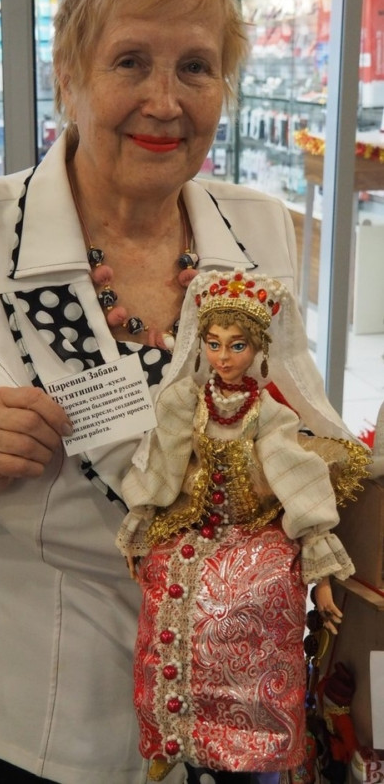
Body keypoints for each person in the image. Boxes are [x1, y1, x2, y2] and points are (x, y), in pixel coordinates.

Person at [0, 0, 366, 784]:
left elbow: (301, 426)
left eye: (196, 68)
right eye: (130, 61)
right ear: (68, 78)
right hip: (17, 717)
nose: (164, 101)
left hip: (226, 701)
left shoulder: (256, 227)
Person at [116, 269, 369, 783]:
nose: (223, 357)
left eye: (236, 346)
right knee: (164, 584)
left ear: (258, 351)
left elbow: (295, 479)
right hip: (193, 526)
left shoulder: (268, 414)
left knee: (269, 585)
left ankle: (262, 741)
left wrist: (321, 577)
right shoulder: (186, 402)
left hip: (252, 529)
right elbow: (164, 464)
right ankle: (171, 734)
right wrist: (140, 519)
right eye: (213, 344)